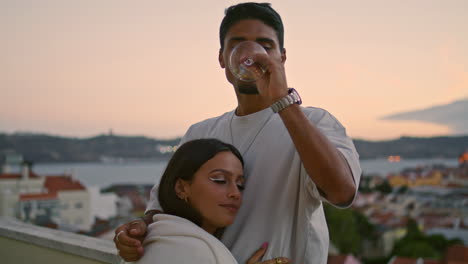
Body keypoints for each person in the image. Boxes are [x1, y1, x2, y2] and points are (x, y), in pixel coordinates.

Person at [115, 3, 361, 264]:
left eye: (266, 46)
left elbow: (342, 193)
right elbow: (163, 209)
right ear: (222, 58)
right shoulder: (200, 132)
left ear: (282, 57)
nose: (252, 55)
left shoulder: (314, 122)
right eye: (237, 44)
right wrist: (137, 230)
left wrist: (283, 101)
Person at [132, 138, 289, 264]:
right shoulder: (196, 250)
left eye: (240, 185)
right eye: (219, 180)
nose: (235, 193)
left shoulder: (160, 237)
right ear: (181, 188)